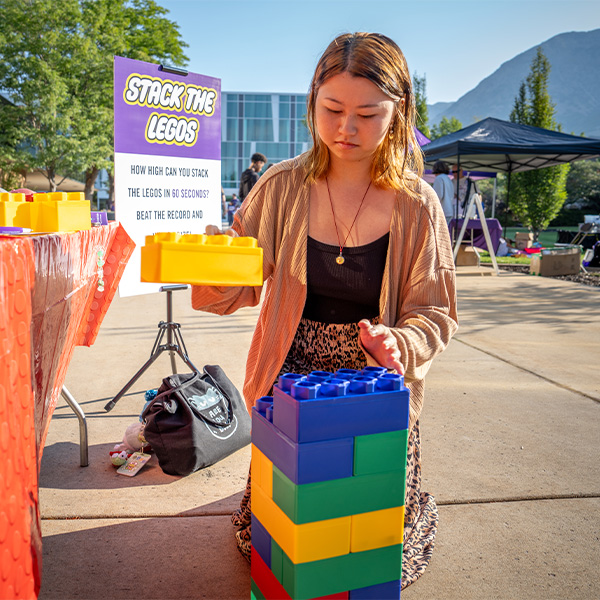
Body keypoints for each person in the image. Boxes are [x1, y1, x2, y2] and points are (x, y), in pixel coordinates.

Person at [192, 32, 458, 590]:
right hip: (290, 377)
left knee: (363, 529)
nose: (346, 128)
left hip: (374, 383)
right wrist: (216, 263)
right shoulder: (280, 187)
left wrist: (399, 344)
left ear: (399, 112)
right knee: (281, 529)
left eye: (368, 113)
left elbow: (433, 311)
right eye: (332, 109)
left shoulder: (418, 204)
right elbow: (232, 291)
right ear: (312, 102)